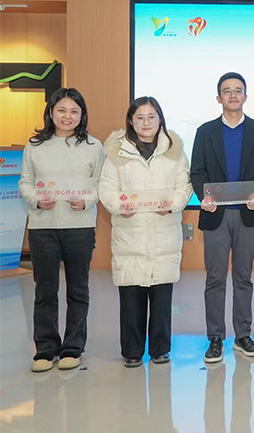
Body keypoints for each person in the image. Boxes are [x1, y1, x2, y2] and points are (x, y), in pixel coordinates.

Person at [98, 96, 193, 368]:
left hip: (164, 232)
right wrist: (119, 206)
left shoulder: (174, 150)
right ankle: (132, 351)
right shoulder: (117, 152)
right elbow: (106, 188)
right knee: (131, 297)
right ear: (131, 121)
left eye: (151, 117)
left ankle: (161, 349)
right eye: (139, 117)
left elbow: (184, 186)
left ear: (160, 119)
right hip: (130, 233)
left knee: (162, 297)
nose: (146, 122)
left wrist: (173, 204)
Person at [18, 88, 105, 373]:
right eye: (62, 110)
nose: (68, 116)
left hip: (80, 226)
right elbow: (25, 182)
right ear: (51, 112)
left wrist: (88, 201)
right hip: (43, 226)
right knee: (45, 289)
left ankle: (72, 347)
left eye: (74, 111)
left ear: (82, 115)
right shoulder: (35, 145)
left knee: (78, 289)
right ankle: (45, 349)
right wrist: (36, 199)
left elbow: (101, 183)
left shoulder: (93, 146)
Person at [190, 72, 254, 363]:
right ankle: (215, 338)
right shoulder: (205, 131)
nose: (233, 95)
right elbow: (197, 171)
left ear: (245, 96)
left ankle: (243, 335)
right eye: (227, 91)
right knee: (215, 278)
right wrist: (205, 196)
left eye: (238, 90)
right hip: (217, 216)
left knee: (243, 278)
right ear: (219, 98)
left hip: (247, 214)